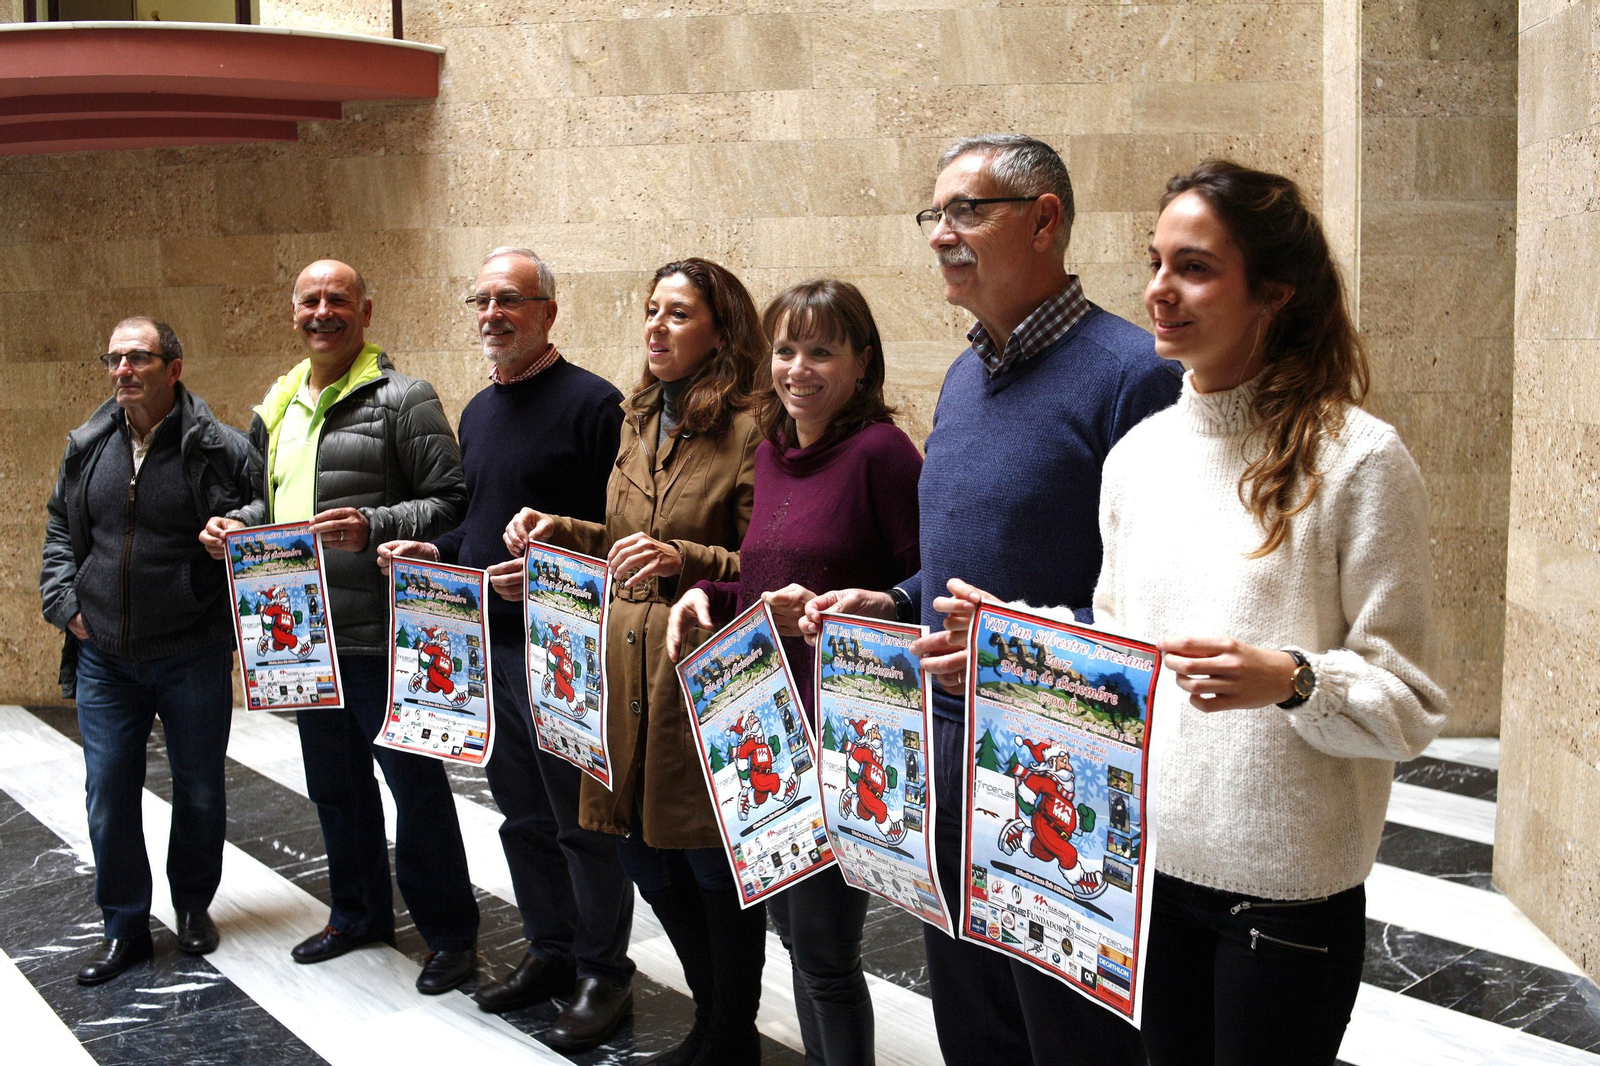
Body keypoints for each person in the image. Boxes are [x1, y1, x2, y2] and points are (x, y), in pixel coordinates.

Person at [933, 161, 1450, 1066]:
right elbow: (1123, 650)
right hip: (1147, 875)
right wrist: (1010, 639)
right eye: (1155, 261)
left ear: (1275, 293)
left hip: (1283, 901)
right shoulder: (1138, 456)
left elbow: (1410, 704)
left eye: (1196, 268)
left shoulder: (1359, 461)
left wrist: (1291, 680)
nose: (1159, 291)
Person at [801, 134, 1182, 1065]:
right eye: (935, 215)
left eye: (968, 211)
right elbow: (967, 562)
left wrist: (1020, 650)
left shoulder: (1136, 377)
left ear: (1045, 220)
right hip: (944, 744)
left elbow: (1153, 602)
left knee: (1065, 1030)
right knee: (968, 1012)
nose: (941, 235)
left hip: (1061, 768)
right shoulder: (969, 374)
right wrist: (893, 600)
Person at [503, 258, 765, 1066]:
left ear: (722, 330)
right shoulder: (637, 414)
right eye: (651, 311)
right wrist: (563, 530)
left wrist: (682, 556)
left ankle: (728, 1032)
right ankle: (712, 1016)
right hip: (620, 670)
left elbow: (760, 558)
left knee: (705, 859)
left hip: (698, 666)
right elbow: (625, 542)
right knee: (640, 851)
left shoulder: (754, 424)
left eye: (678, 314)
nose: (655, 327)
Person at [376, 247, 635, 1048]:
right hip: (490, 642)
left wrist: (552, 573)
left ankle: (603, 972)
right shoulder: (481, 410)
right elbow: (480, 523)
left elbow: (624, 536)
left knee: (582, 824)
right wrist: (440, 552)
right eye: (481, 300)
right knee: (521, 816)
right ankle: (551, 951)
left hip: (563, 653)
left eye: (510, 300)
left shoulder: (596, 405)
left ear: (547, 313)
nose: (493, 314)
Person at [200, 260, 479, 995]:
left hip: (383, 635)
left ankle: (451, 936)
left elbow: (450, 502)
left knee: (416, 790)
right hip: (297, 638)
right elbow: (281, 506)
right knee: (335, 788)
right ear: (293, 311)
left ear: (365, 311)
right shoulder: (279, 401)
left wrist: (375, 525)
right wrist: (240, 525)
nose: (323, 311)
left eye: (339, 300)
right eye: (310, 300)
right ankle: (358, 914)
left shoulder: (404, 398)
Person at [665, 279, 922, 1066]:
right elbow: (763, 577)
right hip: (768, 730)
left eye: (821, 350)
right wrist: (703, 597)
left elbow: (926, 587)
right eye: (785, 350)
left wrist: (874, 604)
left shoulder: (881, 453)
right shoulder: (773, 452)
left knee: (823, 954)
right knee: (794, 940)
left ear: (862, 363)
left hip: (848, 736)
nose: (798, 367)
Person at [40, 317, 253, 985]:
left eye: (139, 357)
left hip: (192, 650)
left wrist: (240, 524)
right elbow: (59, 529)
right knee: (107, 791)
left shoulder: (219, 447)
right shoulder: (87, 445)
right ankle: (124, 925)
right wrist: (64, 603)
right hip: (105, 654)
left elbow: (265, 508)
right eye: (115, 358)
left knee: (198, 788)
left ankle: (193, 907)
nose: (123, 370)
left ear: (174, 367)